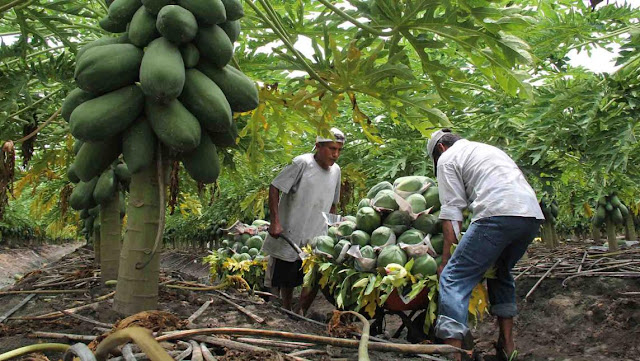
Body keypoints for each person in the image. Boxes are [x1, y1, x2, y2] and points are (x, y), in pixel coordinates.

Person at [426, 128, 544, 361]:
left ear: (441, 148)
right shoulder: (488, 150)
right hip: (531, 216)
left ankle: (454, 354)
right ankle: (507, 347)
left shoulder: (447, 158)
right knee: (500, 273)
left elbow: (452, 212)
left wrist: (446, 260)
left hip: (496, 216)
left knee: (453, 278)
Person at [261, 128, 344, 314]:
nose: (336, 154)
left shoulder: (336, 171)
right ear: (318, 146)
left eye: (339, 150)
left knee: (313, 276)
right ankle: (286, 309)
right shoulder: (302, 163)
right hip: (293, 230)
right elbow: (275, 186)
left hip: (318, 235)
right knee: (287, 276)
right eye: (332, 148)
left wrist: (333, 228)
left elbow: (333, 203)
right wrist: (275, 221)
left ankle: (301, 313)